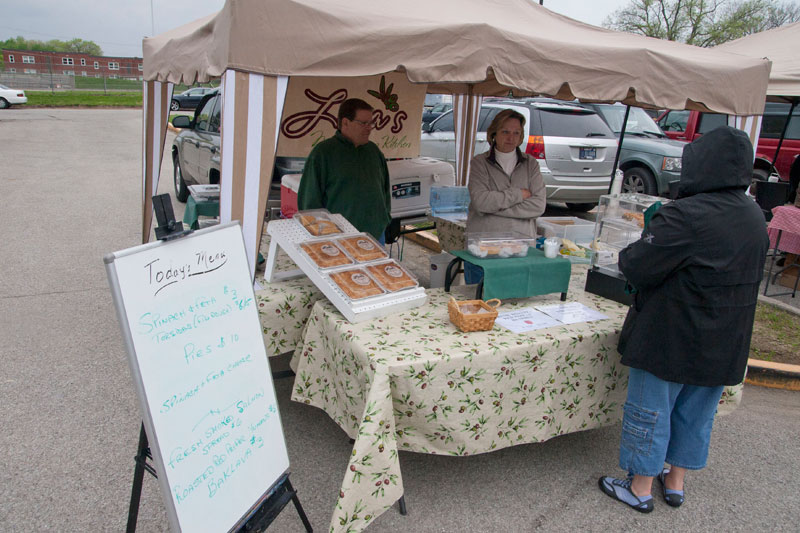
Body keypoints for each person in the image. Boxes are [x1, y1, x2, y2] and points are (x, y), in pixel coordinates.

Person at [598, 126, 769, 513]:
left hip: (672, 332)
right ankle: (675, 481)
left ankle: (640, 486)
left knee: (651, 409)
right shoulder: (754, 215)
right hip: (725, 336)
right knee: (695, 411)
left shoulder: (687, 214)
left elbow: (637, 265)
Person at [464, 108, 547, 283]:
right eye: (505, 132)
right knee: (480, 301)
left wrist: (493, 207)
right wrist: (517, 194)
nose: (511, 137)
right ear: (494, 133)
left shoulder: (530, 164)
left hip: (521, 248)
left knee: (518, 300)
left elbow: (538, 205)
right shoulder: (480, 163)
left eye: (516, 133)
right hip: (485, 248)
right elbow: (480, 202)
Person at [297, 98, 391, 242]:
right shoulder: (323, 153)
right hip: (338, 237)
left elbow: (384, 189)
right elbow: (309, 201)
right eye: (363, 123)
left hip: (375, 234)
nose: (369, 127)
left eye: (371, 123)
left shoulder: (373, 151)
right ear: (345, 122)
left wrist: (385, 218)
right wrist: (319, 236)